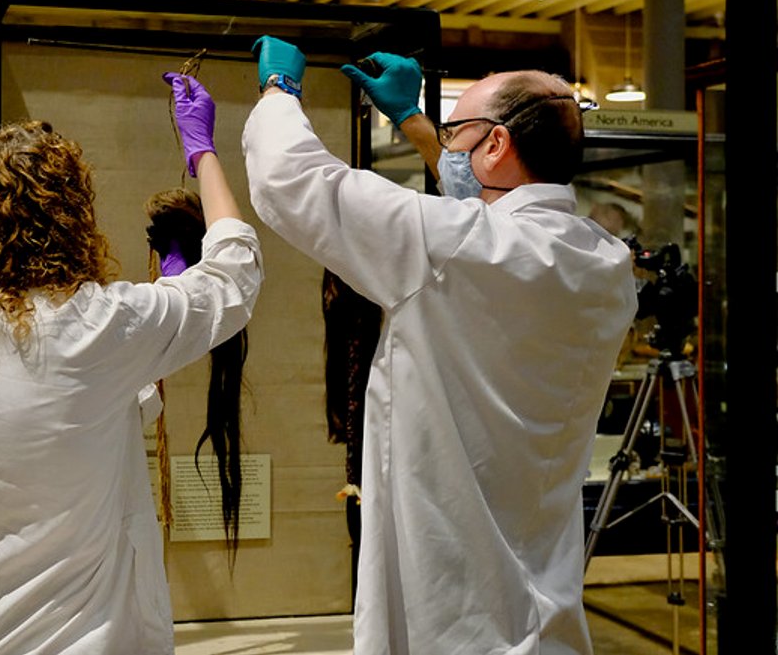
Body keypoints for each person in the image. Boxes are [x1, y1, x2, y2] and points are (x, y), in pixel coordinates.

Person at [242, 37, 637, 655]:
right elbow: (481, 229)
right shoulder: (606, 265)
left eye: (457, 132)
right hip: (544, 609)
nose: (447, 147)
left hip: (452, 615)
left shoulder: (456, 249)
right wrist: (414, 122)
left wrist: (280, 93)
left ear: (498, 145)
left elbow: (290, 181)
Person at [0, 73, 262, 655]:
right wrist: (204, 153)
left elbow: (73, 418)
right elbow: (233, 278)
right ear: (71, 217)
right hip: (66, 639)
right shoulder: (98, 325)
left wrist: (152, 332)